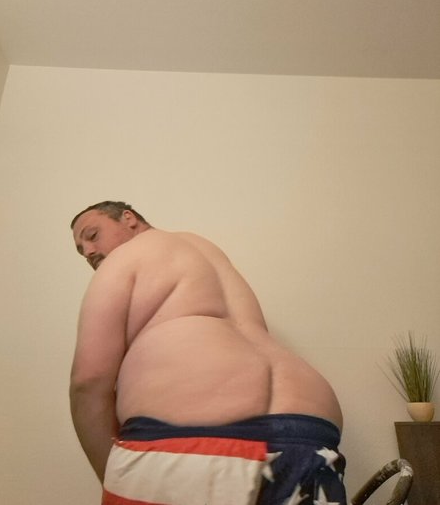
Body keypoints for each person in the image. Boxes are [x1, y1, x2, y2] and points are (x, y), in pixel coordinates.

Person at [70, 201, 346, 505]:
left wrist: (113, 479)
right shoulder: (211, 255)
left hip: (195, 442)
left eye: (92, 235)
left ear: (128, 218)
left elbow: (89, 382)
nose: (89, 251)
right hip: (309, 437)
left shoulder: (124, 257)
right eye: (81, 251)